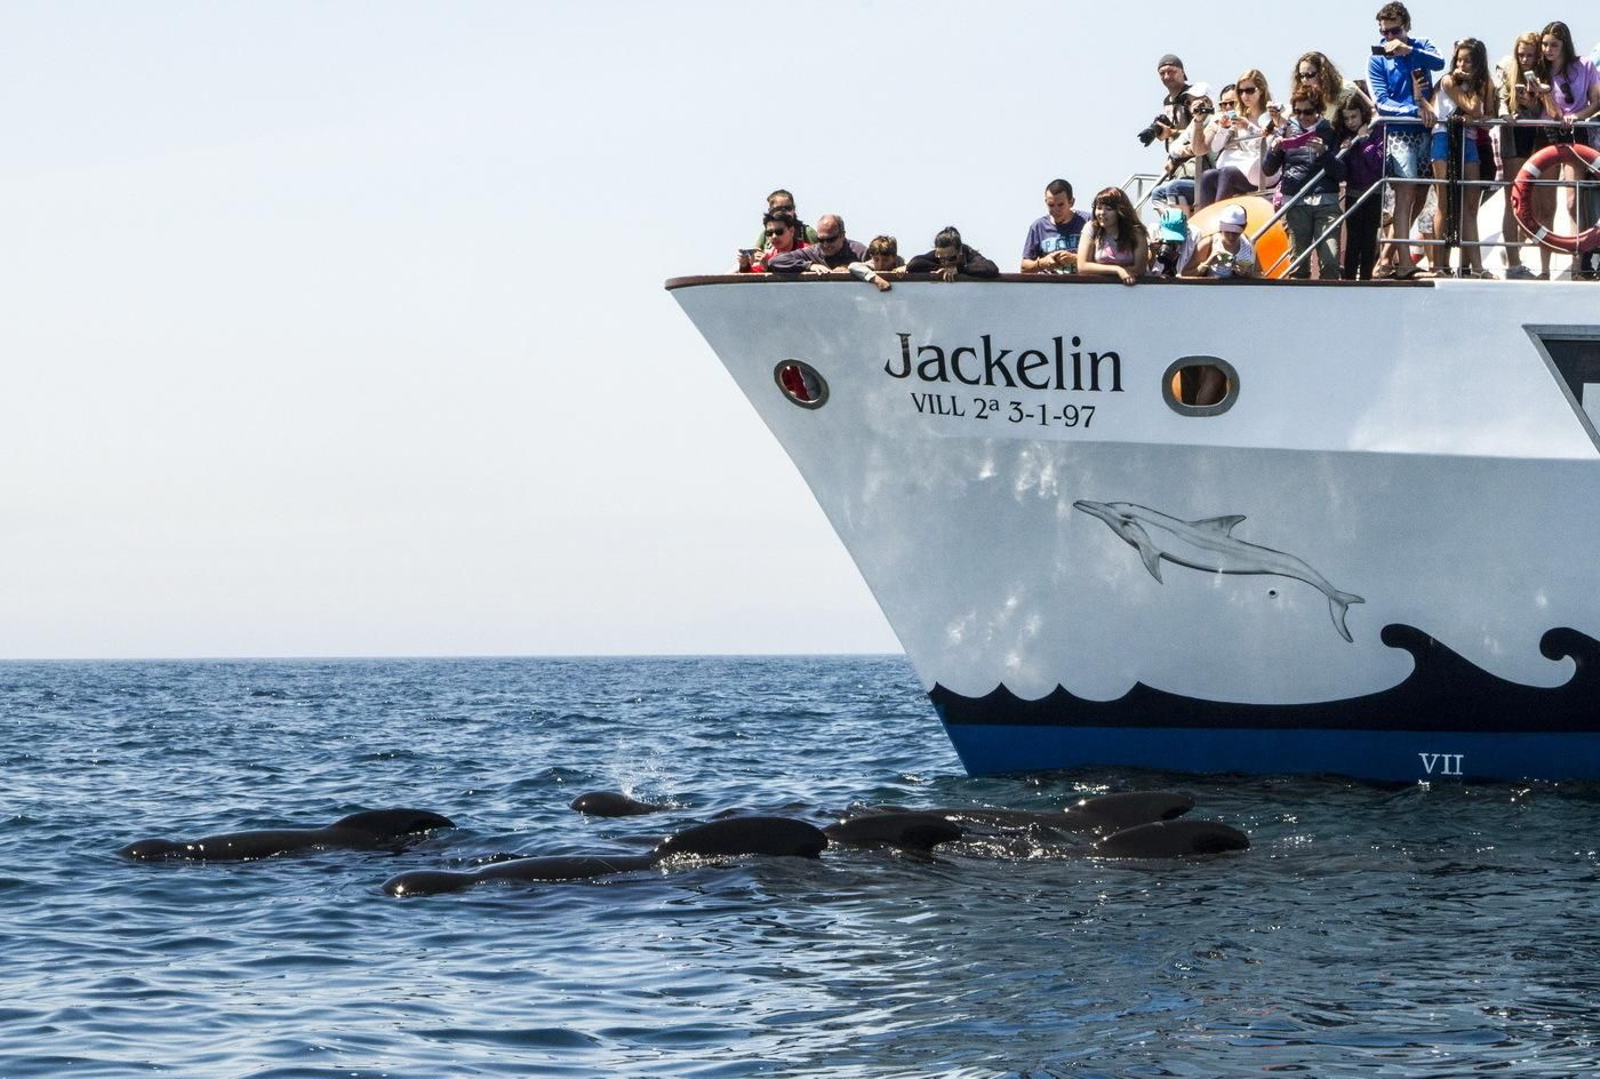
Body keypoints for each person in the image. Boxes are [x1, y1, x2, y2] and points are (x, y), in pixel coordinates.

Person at [1369, 2, 1445, 279]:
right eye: (1384, 32)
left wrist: (1409, 50)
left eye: (1394, 31)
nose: (1389, 37)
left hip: (1424, 132)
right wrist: (1415, 111)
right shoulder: (1377, 58)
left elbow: (1440, 62)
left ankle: (1387, 258)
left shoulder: (1420, 46)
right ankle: (1403, 263)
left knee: (1421, 195)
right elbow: (1381, 101)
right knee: (1404, 195)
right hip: (1400, 131)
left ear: (1406, 26)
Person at [1532, 21, 1600, 275]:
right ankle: (1544, 268)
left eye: (1554, 45)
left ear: (1565, 46)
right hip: (1548, 131)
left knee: (1572, 201)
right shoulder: (1539, 70)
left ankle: (1576, 264)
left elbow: (1596, 101)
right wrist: (1543, 94)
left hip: (1575, 131)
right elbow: (1550, 111)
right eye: (1545, 44)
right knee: (1545, 205)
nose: (1548, 50)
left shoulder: (1585, 65)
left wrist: (1578, 116)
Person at [1429, 38, 1496, 277]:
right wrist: (1474, 103)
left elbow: (1486, 114)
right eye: (1459, 59)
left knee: (1470, 206)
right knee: (1444, 203)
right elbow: (1473, 109)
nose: (1462, 64)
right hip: (1444, 138)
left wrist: (1478, 89)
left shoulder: (1484, 83)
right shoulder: (1448, 81)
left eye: (1468, 60)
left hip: (1468, 141)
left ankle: (1477, 266)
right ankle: (1439, 265)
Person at [1264, 92, 1344, 279]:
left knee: (1331, 262)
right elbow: (1268, 170)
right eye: (1297, 111)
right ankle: (1298, 306)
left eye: (1307, 112)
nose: (1302, 117)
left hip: (1326, 202)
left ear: (1318, 110)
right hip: (1295, 201)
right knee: (1298, 265)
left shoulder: (1330, 132)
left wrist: (1324, 153)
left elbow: (1341, 173)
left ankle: (1329, 305)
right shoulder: (1284, 130)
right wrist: (1274, 151)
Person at [1497, 32, 1545, 278]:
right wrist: (1508, 110)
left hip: (1535, 135)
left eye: (1530, 54)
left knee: (1532, 201)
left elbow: (1543, 108)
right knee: (1513, 200)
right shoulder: (1506, 66)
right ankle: (1513, 263)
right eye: (1521, 54)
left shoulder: (1541, 72)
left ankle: (1514, 251)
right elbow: (1500, 98)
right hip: (1514, 135)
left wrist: (1533, 101)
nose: (1525, 59)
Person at [1196, 71, 1278, 207]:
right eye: (1240, 91)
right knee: (1208, 176)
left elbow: (1269, 144)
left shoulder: (1269, 115)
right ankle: (1204, 222)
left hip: (1266, 171)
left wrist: (1249, 126)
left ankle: (1220, 218)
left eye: (1250, 91)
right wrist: (1223, 129)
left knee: (1228, 173)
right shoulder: (1240, 115)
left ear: (1261, 90)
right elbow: (1215, 148)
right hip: (1247, 169)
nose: (1244, 96)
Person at [1333, 90, 1386, 279]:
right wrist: (1344, 151)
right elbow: (1342, 172)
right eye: (1346, 118)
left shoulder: (1376, 129)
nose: (1351, 122)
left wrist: (1364, 142)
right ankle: (1348, 278)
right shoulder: (1344, 134)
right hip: (1353, 192)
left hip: (1374, 192)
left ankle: (1365, 278)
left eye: (1354, 116)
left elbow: (1379, 165)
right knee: (1354, 239)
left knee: (1369, 238)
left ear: (1362, 113)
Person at [1149, 55, 1200, 208]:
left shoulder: (1192, 96)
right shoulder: (1167, 101)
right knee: (1158, 195)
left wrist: (1171, 132)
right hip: (1176, 161)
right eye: (1162, 73)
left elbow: (1199, 128)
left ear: (1182, 72)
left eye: (1171, 71)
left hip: (1194, 161)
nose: (1166, 77)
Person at [1077, 187, 1150, 285]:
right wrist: (1117, 270)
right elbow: (1082, 266)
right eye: (1099, 208)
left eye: (1108, 209)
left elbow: (1139, 269)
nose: (1102, 213)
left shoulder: (1136, 233)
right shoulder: (1091, 228)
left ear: (1120, 211)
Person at [1020, 179, 1090, 273]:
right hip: (1049, 285)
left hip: (1082, 285)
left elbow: (1105, 258)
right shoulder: (1038, 227)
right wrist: (1041, 263)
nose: (1056, 210)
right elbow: (1024, 267)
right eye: (1051, 205)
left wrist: (1075, 258)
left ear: (1071, 202)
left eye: (1060, 205)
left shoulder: (1088, 221)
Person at [766, 214, 868, 274]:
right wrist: (809, 266)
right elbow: (774, 262)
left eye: (831, 239)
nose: (825, 245)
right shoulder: (811, 253)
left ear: (842, 235)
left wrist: (851, 269)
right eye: (821, 240)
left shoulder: (859, 252)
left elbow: (878, 268)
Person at [1183, 204, 1260, 279]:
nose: (1231, 236)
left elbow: (1260, 275)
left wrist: (1248, 274)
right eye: (1227, 231)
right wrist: (1207, 263)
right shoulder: (1208, 244)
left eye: (1235, 233)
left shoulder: (1248, 244)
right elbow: (1184, 274)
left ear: (1245, 227)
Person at [1290, 51, 1361, 124]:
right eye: (1301, 76)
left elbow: (1371, 111)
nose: (1304, 80)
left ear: (1322, 74)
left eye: (1310, 75)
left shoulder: (1346, 88)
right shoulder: (1309, 99)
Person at [906, 227, 1000, 281]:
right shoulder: (938, 255)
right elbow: (913, 264)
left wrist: (959, 269)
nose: (946, 262)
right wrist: (940, 268)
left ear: (959, 251)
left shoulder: (968, 253)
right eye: (942, 259)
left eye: (951, 258)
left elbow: (991, 268)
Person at [737, 210, 807, 273]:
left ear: (791, 231)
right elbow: (753, 279)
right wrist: (744, 266)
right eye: (769, 233)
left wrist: (770, 268)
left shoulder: (807, 251)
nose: (774, 236)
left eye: (779, 232)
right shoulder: (767, 256)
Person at [750, 190, 818, 251]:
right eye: (778, 209)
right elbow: (756, 253)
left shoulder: (806, 232)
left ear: (794, 209)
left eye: (788, 208)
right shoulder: (766, 234)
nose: (783, 212)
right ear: (770, 211)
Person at [1149, 209, 1194, 278]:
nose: (1173, 241)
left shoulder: (1194, 237)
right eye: (1169, 239)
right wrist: (1152, 252)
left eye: (1176, 239)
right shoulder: (1152, 232)